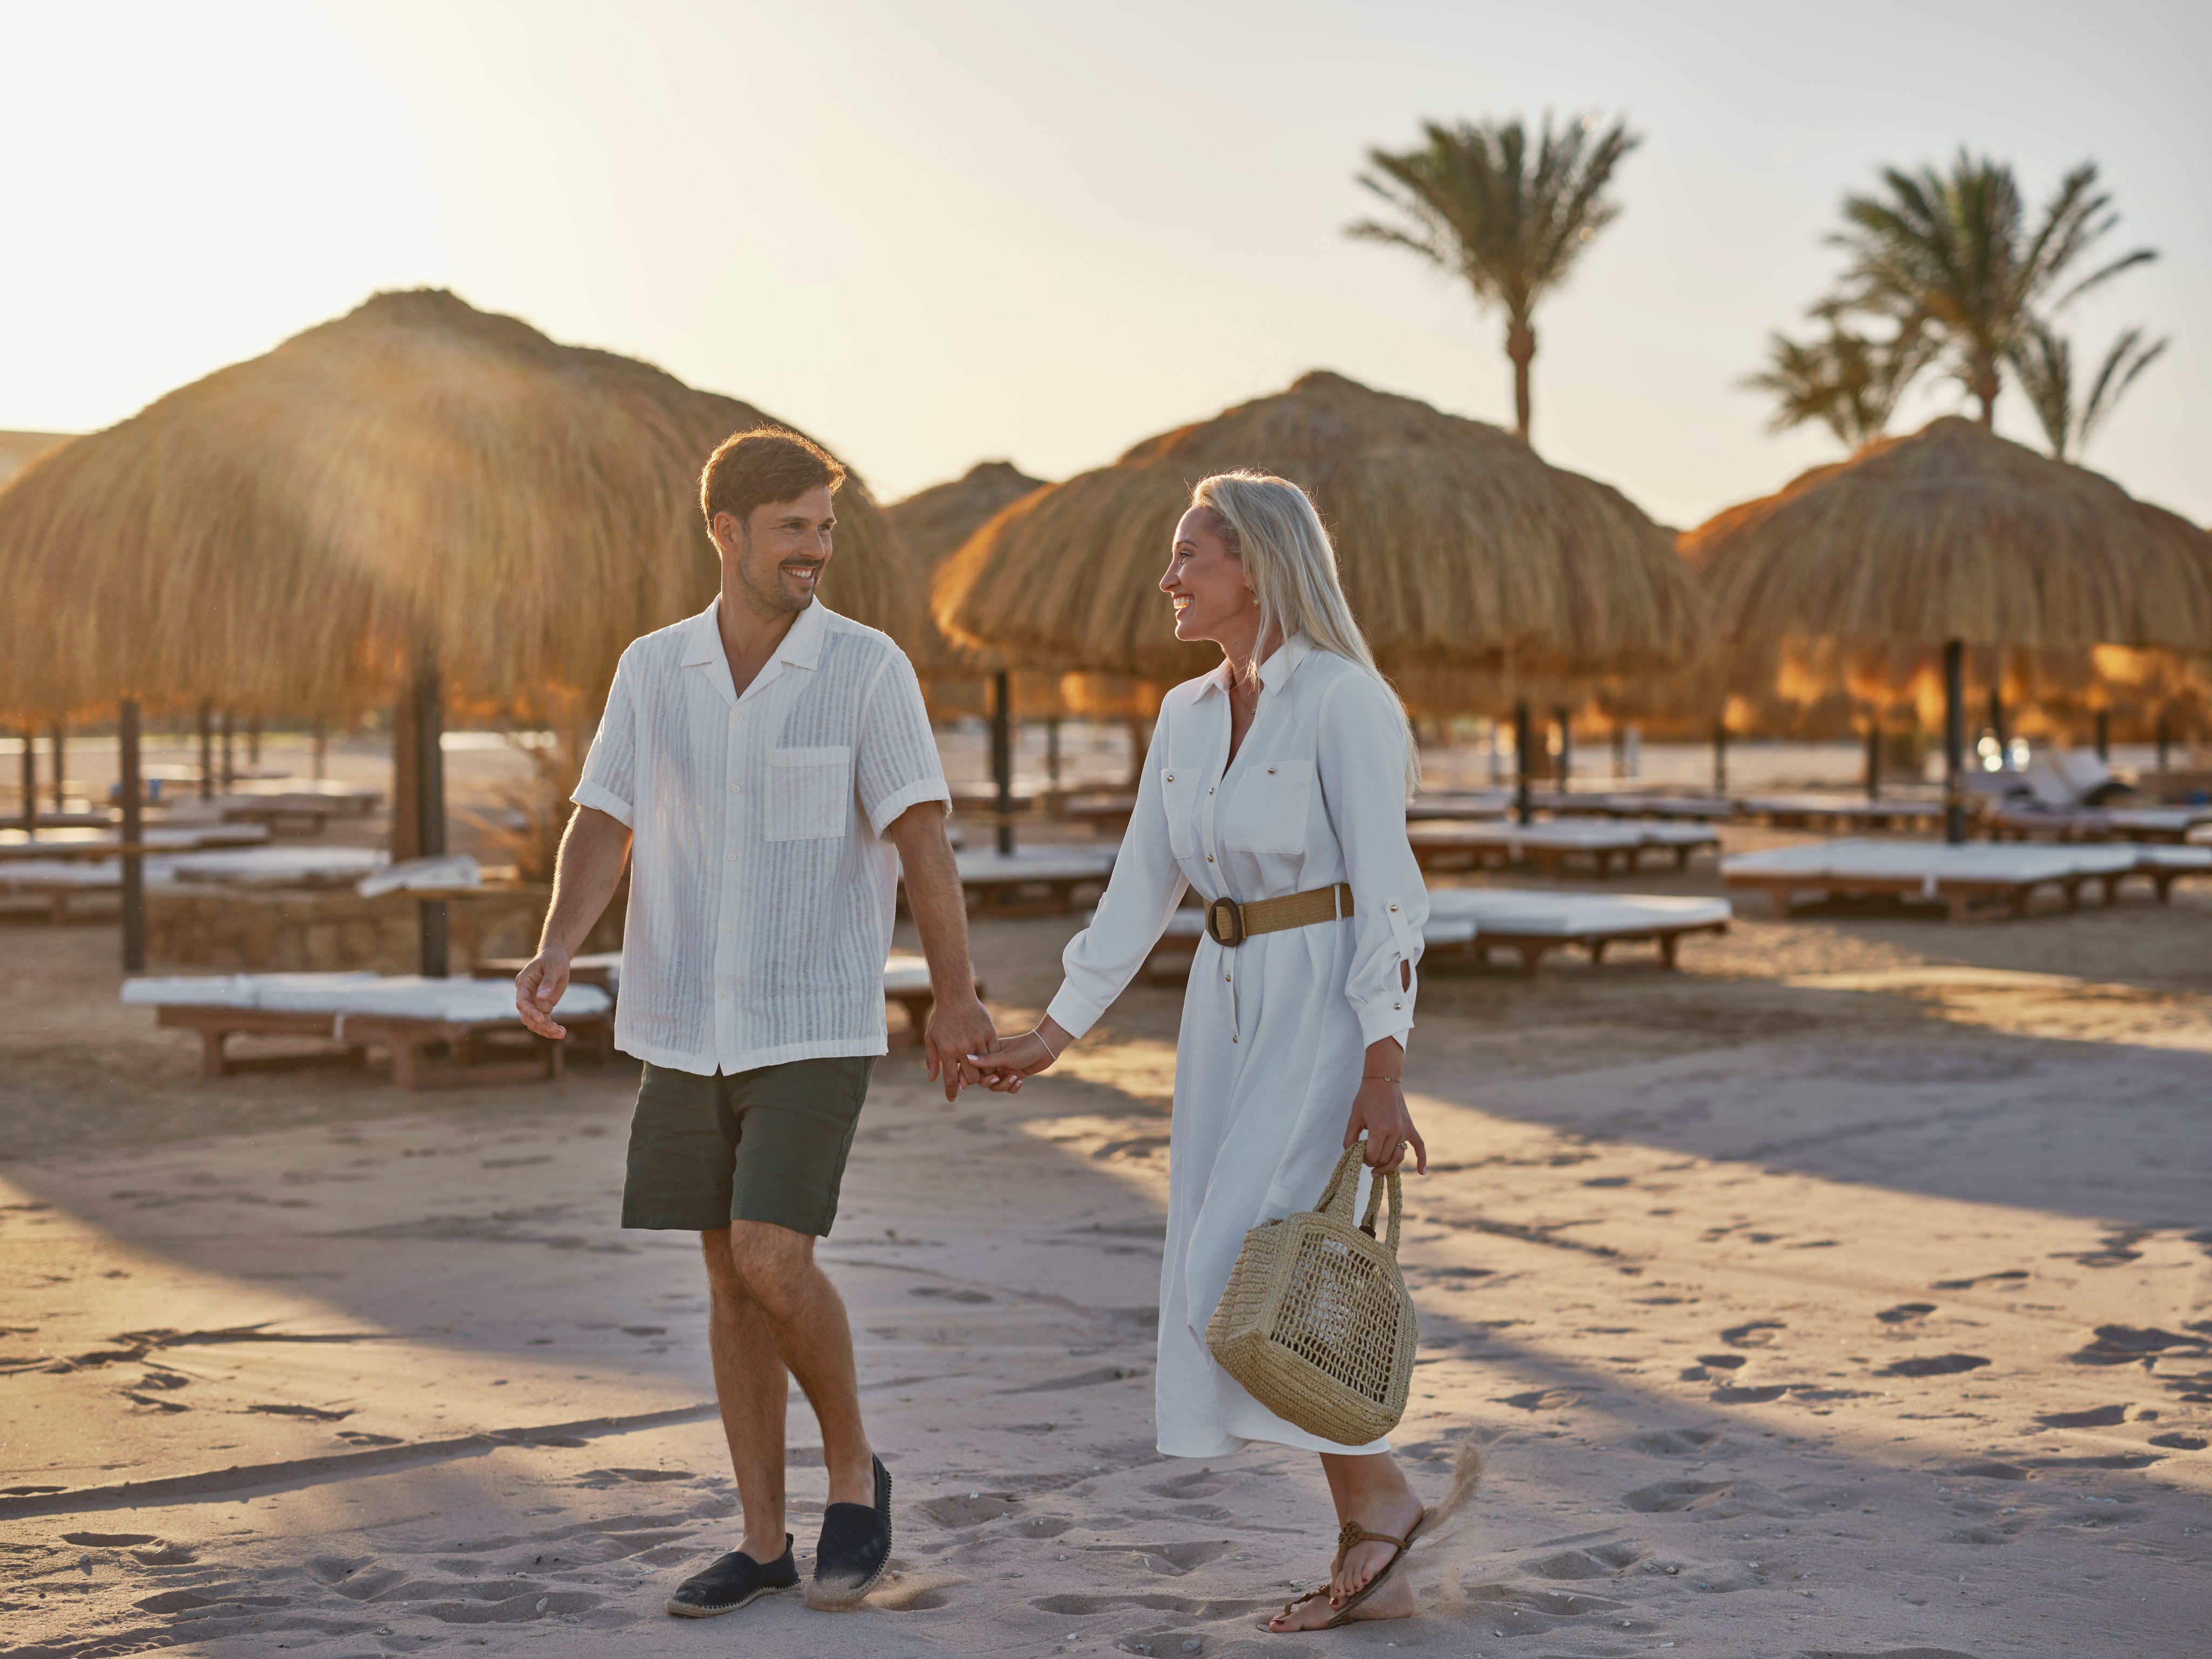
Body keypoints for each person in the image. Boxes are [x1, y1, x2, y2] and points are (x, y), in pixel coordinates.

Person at [514, 427, 995, 1618]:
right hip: (680, 1016)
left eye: (826, 528)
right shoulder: (652, 669)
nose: (816, 551)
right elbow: (602, 822)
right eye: (794, 528)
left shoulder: (866, 668)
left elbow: (920, 836)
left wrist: (955, 991)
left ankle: (852, 1481)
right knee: (728, 1282)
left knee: (774, 1258)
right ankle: (764, 1539)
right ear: (724, 531)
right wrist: (557, 941)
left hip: (812, 1015)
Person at [976, 470, 1434, 1632]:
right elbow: (1139, 889)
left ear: (1259, 565)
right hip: (1220, 1007)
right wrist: (1051, 1031)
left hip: (1324, 1009)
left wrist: (1384, 1062)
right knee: (1228, 1274)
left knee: (1243, 1263)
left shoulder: (1344, 703)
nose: (1168, 578)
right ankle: (1374, 1513)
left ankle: (1379, 1506)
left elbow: (1389, 895)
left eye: (1191, 556)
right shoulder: (1183, 716)